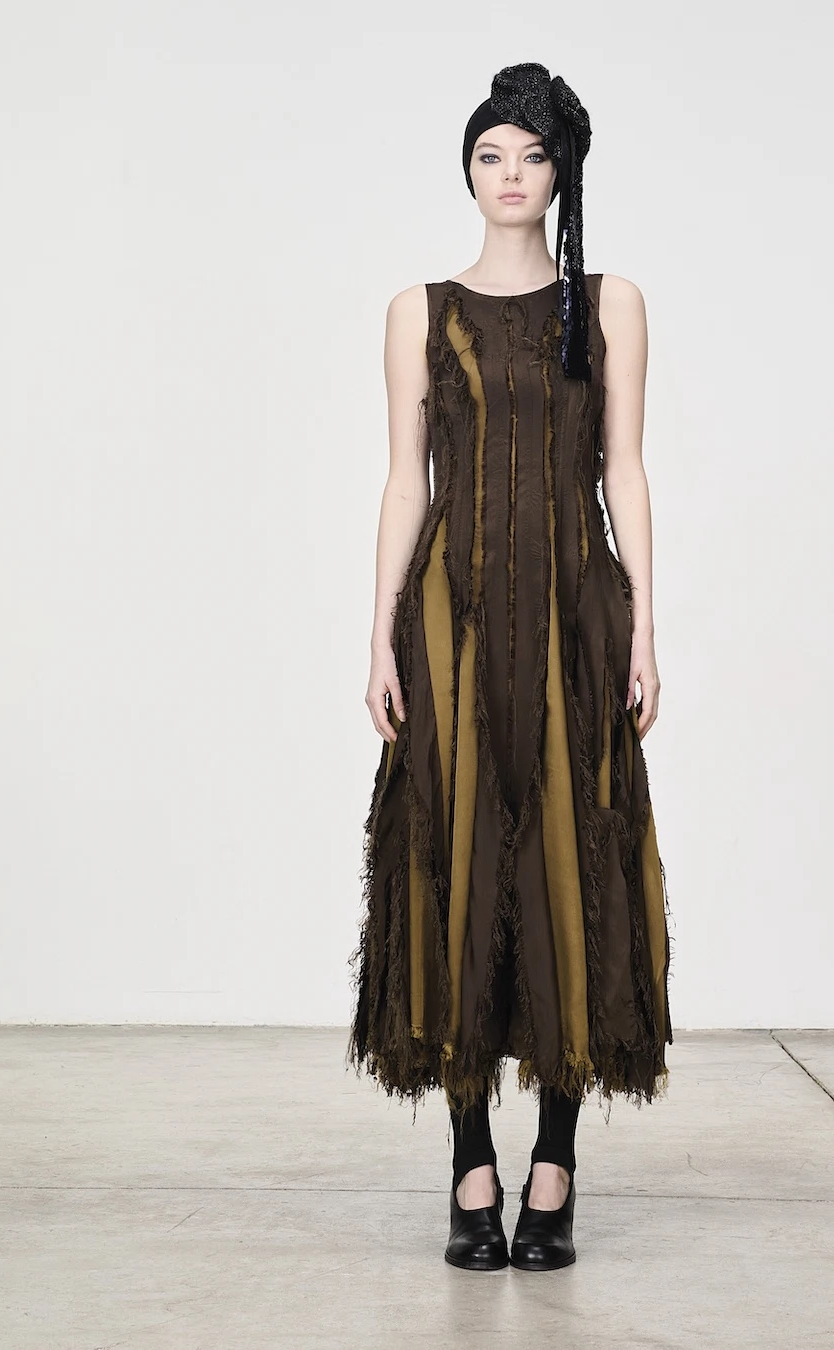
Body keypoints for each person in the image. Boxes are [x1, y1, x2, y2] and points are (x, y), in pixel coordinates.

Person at [346, 61, 672, 1272]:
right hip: (452, 617)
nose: (511, 176)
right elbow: (405, 482)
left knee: (570, 863)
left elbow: (623, 469)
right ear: (468, 172)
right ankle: (470, 1162)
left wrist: (647, 625)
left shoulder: (611, 303)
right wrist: (378, 629)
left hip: (578, 615)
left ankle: (558, 1165)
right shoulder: (418, 311)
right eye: (491, 156)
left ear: (563, 171)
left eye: (532, 157)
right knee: (458, 860)